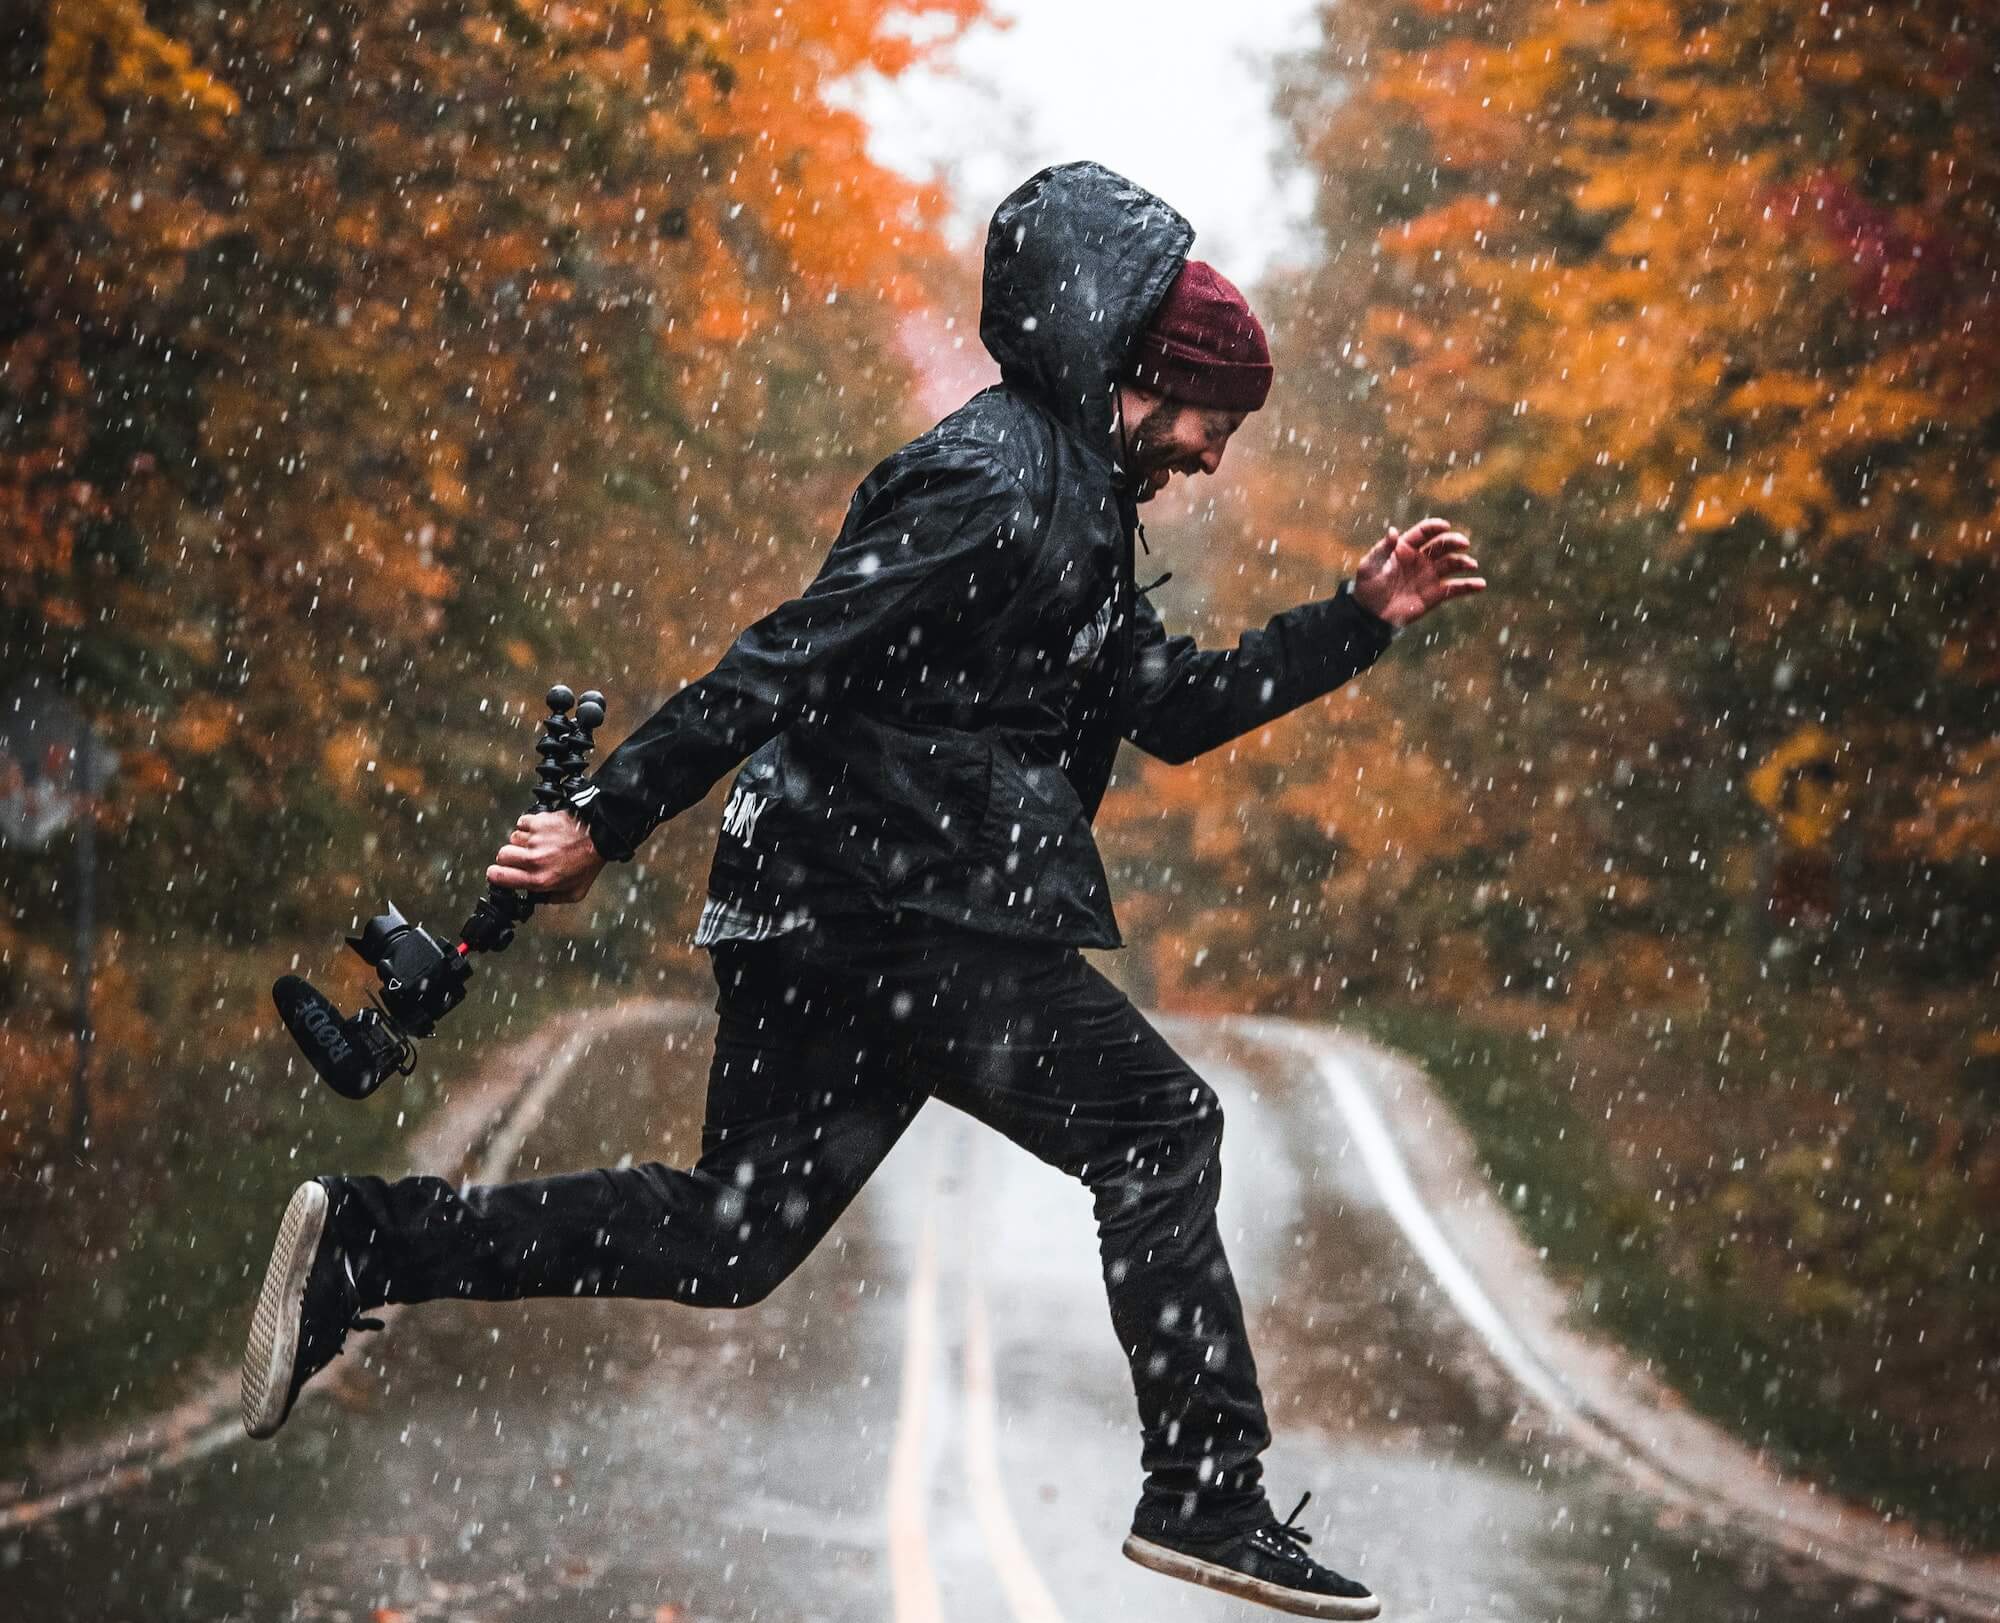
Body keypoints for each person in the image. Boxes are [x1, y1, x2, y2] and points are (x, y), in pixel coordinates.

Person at [242, 159, 1483, 1620]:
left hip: (849, 910)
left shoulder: (1079, 511)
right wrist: (605, 819)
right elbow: (788, 653)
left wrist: (1355, 620)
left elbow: (1179, 709)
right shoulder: (992, 480)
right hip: (908, 906)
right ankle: (1204, 1492)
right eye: (1213, 418)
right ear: (1142, 375)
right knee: (1164, 1127)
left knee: (727, 1238)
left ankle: (374, 1240)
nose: (1213, 452)